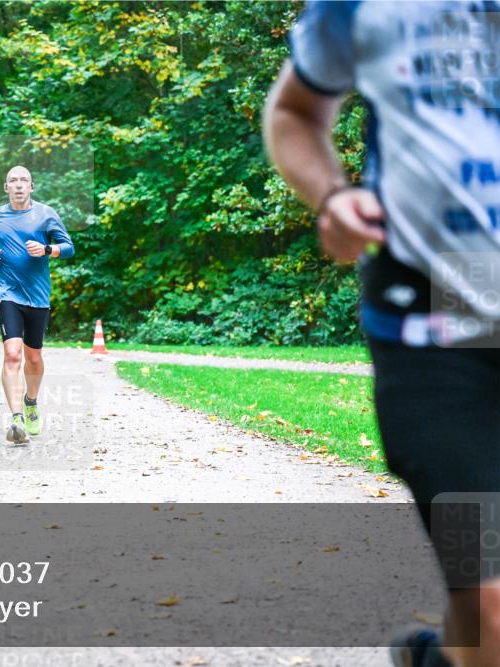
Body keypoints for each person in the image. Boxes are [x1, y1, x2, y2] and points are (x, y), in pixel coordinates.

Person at [263, 3, 499, 666]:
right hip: (434, 319)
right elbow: (294, 112)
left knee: (480, 604)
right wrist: (333, 196)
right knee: (491, 597)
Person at [0, 165, 75, 444]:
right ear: (6, 187)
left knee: (33, 357)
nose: (19, 185)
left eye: (24, 180)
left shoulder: (46, 215)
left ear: (32, 186)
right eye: (13, 180)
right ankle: (16, 419)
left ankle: (30, 401)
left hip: (38, 296)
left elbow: (68, 247)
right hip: (7, 292)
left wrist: (46, 249)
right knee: (12, 354)